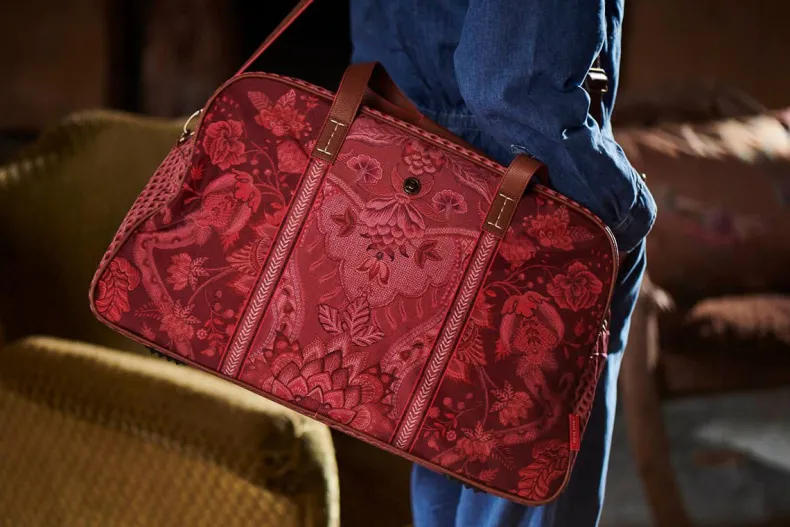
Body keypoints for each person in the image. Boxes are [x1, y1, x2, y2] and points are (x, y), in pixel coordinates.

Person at [349, 1, 656, 526]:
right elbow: (512, 88)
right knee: (529, 475)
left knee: (441, 456)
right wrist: (624, 210)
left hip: (410, 166)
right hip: (535, 195)